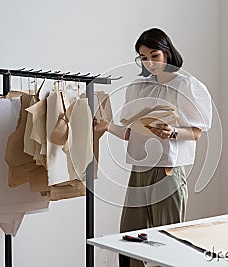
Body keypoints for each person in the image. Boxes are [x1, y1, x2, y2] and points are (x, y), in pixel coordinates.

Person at [94, 28, 213, 267]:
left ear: (167, 53)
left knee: (168, 239)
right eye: (143, 57)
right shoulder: (139, 87)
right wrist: (109, 127)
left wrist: (173, 132)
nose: (149, 62)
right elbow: (132, 133)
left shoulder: (187, 85)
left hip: (169, 170)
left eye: (154, 55)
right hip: (139, 169)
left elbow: (198, 132)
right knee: (129, 236)